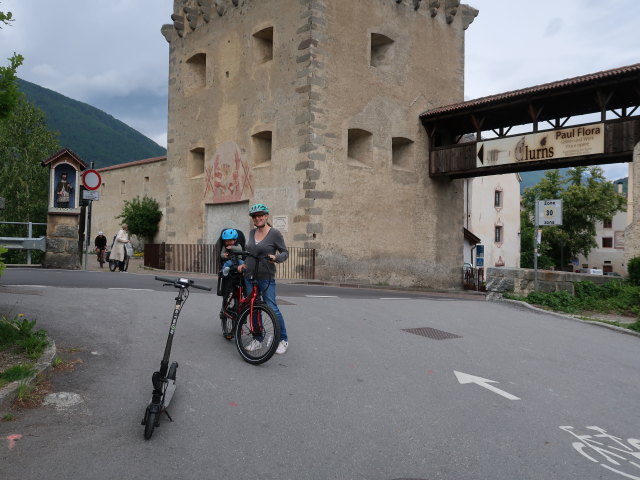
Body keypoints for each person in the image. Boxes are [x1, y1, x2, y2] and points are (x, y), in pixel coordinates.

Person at [238, 203, 289, 354]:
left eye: (261, 215)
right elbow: (249, 253)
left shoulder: (275, 234)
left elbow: (285, 252)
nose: (258, 218)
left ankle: (283, 339)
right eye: (255, 216)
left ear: (266, 216)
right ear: (253, 219)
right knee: (253, 308)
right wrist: (243, 265)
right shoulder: (251, 232)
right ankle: (258, 339)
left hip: (265, 277)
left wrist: (276, 258)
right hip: (249, 276)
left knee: (272, 308)